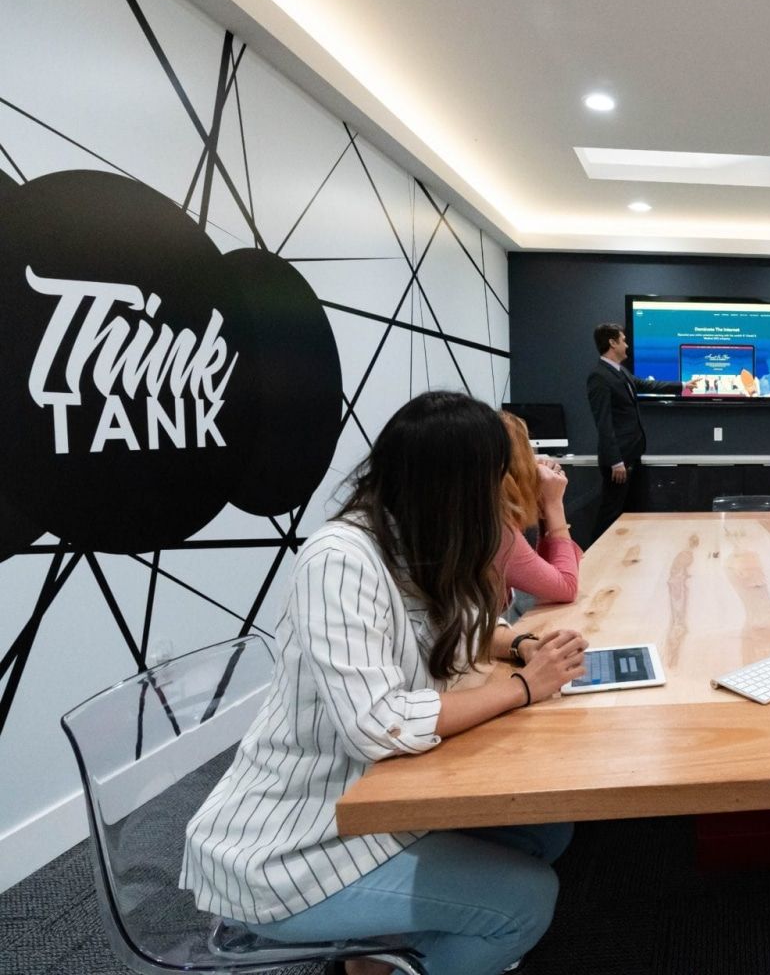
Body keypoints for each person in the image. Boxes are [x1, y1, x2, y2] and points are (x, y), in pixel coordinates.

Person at [182, 391, 591, 975]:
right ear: (457, 487)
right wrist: (524, 687)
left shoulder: (421, 536)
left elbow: (469, 624)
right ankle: (413, 946)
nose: (501, 500)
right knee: (525, 902)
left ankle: (382, 944)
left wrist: (523, 645)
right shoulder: (340, 558)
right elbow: (380, 724)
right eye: (493, 482)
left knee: (544, 828)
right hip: (293, 842)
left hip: (378, 800)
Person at [588, 322, 682, 539]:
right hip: (618, 461)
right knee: (610, 514)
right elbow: (603, 422)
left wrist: (683, 385)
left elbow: (648, 386)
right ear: (612, 343)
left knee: (631, 511)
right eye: (623, 340)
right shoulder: (599, 376)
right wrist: (615, 461)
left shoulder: (621, 372)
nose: (627, 345)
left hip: (631, 456)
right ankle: (591, 561)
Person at [499, 410, 582, 607]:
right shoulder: (497, 527)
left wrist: (541, 504)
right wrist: (554, 503)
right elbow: (565, 587)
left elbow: (546, 575)